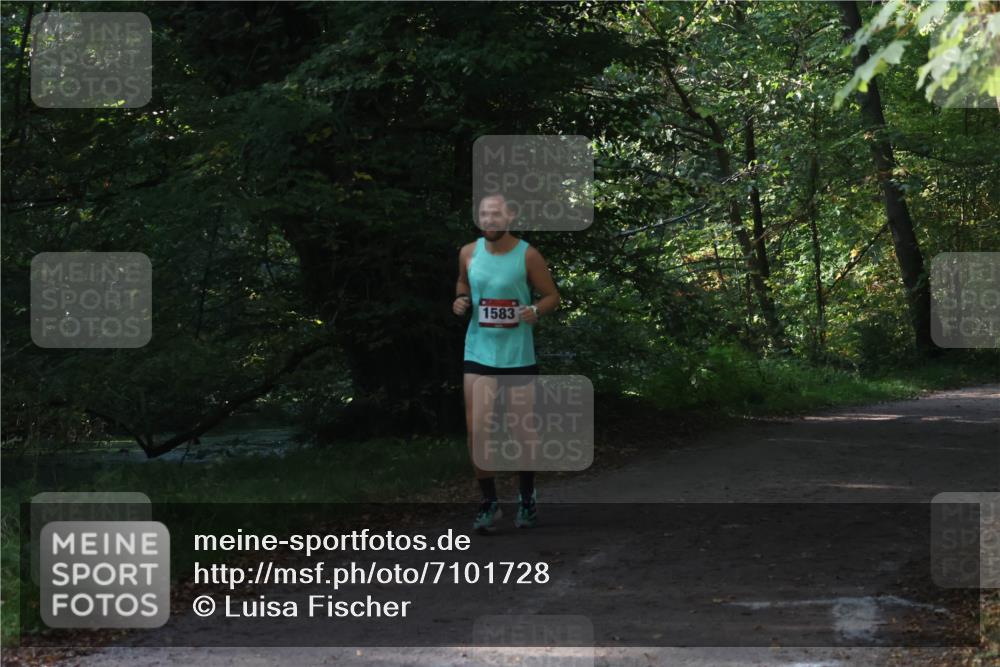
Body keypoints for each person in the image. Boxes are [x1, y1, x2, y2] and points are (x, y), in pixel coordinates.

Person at [454, 193, 560, 533]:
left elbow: (551, 295)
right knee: (477, 430)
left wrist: (535, 310)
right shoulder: (468, 253)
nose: (489, 220)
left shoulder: (527, 254)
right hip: (479, 353)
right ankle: (489, 503)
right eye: (484, 214)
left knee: (521, 430)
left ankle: (526, 498)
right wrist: (461, 298)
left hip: (517, 355)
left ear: (510, 216)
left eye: (496, 214)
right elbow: (462, 283)